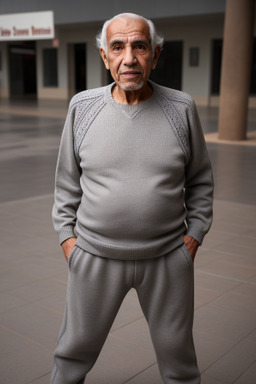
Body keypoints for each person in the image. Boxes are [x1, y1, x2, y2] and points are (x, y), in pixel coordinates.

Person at [50, 12, 214, 384]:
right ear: (104, 57)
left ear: (155, 55)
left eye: (139, 46)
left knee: (179, 360)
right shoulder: (82, 107)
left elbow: (201, 180)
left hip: (167, 259)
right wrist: (68, 240)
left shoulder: (181, 108)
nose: (129, 58)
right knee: (73, 351)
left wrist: (193, 237)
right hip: (93, 257)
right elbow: (66, 184)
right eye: (118, 47)